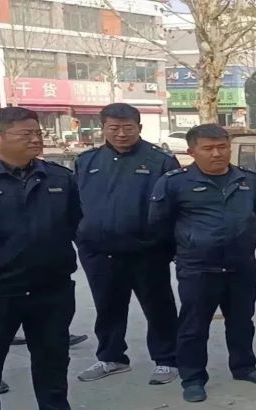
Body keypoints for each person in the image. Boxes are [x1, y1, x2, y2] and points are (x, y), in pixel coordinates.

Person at [0, 107, 80, 409]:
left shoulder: (59, 178)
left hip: (51, 291)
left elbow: (73, 223)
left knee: (53, 367)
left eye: (37, 132)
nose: (36, 139)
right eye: (26, 134)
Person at [148, 124, 256, 403]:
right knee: (193, 327)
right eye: (208, 148)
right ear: (192, 151)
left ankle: (244, 367)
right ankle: (193, 379)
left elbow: (255, 214)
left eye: (222, 147)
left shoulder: (248, 180)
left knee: (242, 322)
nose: (217, 153)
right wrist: (188, 249)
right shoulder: (174, 183)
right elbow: (159, 225)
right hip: (198, 269)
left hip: (241, 266)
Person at [75, 103, 180, 385]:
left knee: (158, 307)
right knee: (107, 306)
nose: (121, 134)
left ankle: (167, 359)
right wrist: (82, 236)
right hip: (99, 251)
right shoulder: (87, 161)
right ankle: (112, 357)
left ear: (139, 128)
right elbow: (75, 203)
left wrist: (165, 245)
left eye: (127, 128)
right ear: (103, 129)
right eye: (114, 128)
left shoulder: (160, 161)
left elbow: (175, 207)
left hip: (147, 251)